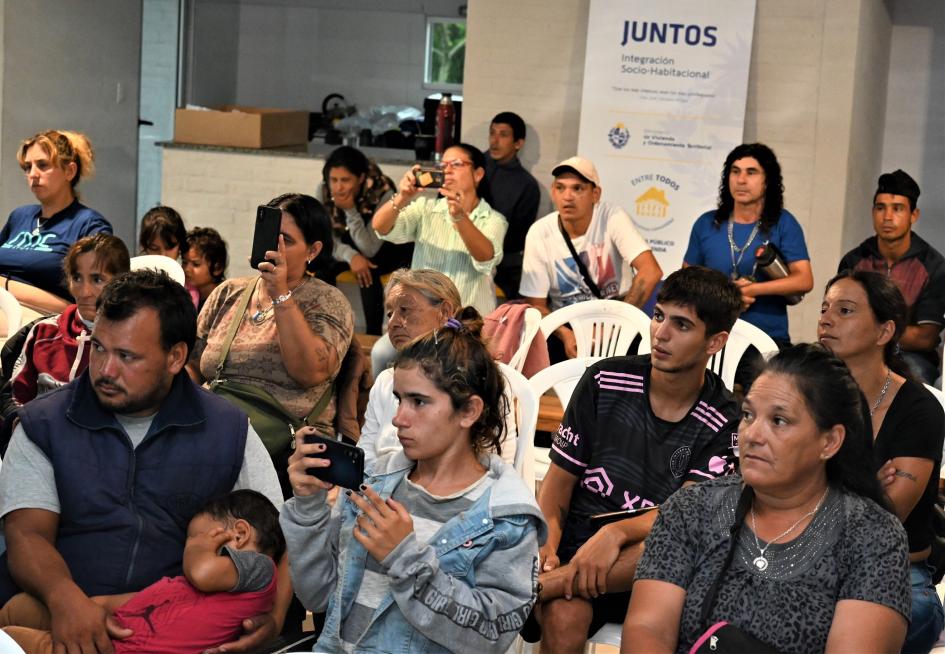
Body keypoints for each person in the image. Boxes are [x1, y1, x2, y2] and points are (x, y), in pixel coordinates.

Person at [0, 269, 287, 653]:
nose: (104, 370)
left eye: (127, 356)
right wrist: (66, 600)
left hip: (169, 628)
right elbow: (26, 535)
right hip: (58, 604)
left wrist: (274, 621)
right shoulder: (44, 424)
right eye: (99, 348)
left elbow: (281, 540)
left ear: (175, 357)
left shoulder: (227, 431)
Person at [280, 317, 546, 654]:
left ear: (469, 411)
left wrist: (403, 556)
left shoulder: (505, 517)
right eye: (398, 399)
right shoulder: (374, 486)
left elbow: (489, 635)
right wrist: (308, 507)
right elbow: (316, 595)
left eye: (418, 402)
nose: (398, 418)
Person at [624, 344, 911, 654]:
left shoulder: (872, 536)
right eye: (748, 415)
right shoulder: (690, 508)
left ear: (829, 441)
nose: (752, 435)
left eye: (779, 421)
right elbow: (647, 628)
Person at [526, 266, 741, 653]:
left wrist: (617, 533)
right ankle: (549, 585)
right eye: (659, 316)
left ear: (715, 341)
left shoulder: (724, 418)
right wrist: (547, 546)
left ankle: (534, 591)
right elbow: (556, 490)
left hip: (658, 562)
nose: (661, 333)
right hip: (580, 544)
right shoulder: (604, 381)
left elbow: (685, 515)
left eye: (682, 325)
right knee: (563, 617)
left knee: (670, 546)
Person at [189, 193, 354, 495]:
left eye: (286, 241)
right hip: (214, 431)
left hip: (285, 448)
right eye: (269, 236)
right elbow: (194, 366)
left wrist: (280, 294)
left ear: (313, 250)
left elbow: (310, 372)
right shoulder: (230, 293)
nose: (272, 248)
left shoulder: (328, 301)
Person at [818, 269, 945, 651]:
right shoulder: (807, 394)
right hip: (807, 559)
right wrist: (868, 485)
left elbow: (884, 523)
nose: (826, 318)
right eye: (825, 308)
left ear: (884, 332)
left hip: (898, 571)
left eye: (845, 310)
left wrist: (812, 488)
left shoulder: (918, 410)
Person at [1, 489, 285, 654]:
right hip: (110, 629)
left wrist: (198, 547)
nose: (189, 547)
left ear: (239, 534)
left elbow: (202, 572)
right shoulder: (186, 586)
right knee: (20, 607)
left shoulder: (260, 570)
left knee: (18, 639)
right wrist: (85, 608)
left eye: (197, 536)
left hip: (114, 650)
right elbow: (134, 601)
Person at [360, 268, 516, 469]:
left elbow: (494, 465)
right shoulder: (385, 381)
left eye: (405, 310)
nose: (392, 323)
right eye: (390, 314)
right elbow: (366, 457)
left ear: (444, 312)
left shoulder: (480, 379)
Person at [520, 156, 662, 360]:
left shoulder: (611, 216)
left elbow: (651, 271)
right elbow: (537, 305)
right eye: (560, 188)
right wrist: (566, 334)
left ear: (595, 194)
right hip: (567, 323)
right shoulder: (539, 232)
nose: (567, 196)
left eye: (577, 189)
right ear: (552, 191)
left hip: (616, 314)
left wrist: (616, 323)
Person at [684, 142, 813, 346]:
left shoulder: (784, 222)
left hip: (767, 338)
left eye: (751, 172)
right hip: (712, 334)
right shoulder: (706, 224)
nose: (741, 180)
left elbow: (804, 280)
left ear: (767, 180)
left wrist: (753, 290)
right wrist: (728, 295)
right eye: (735, 172)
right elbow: (687, 282)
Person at [372, 143, 507, 317]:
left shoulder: (493, 219)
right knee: (381, 346)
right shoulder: (425, 209)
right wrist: (403, 196)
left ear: (478, 174)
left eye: (456, 164)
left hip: (467, 325)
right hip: (421, 321)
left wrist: (459, 216)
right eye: (443, 166)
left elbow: (486, 258)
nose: (447, 170)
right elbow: (380, 227)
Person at [838, 169, 945, 385]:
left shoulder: (933, 265)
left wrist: (865, 330)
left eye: (897, 209)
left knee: (916, 381)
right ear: (872, 212)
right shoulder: (855, 261)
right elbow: (839, 319)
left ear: (913, 215)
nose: (887, 217)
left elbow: (925, 338)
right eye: (881, 208)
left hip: (911, 357)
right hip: (856, 353)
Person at [10, 234, 130, 405]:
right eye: (77, 278)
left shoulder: (133, 342)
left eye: (97, 279)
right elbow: (16, 399)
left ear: (122, 282)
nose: (84, 292)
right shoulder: (43, 332)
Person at [0, 130, 111, 314]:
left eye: (43, 165)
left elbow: (88, 303)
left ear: (69, 171)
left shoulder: (89, 224)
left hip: (43, 320)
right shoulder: (19, 216)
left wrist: (7, 286)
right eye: (27, 167)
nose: (32, 174)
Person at [318, 146, 413, 335]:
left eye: (345, 180)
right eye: (334, 180)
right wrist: (352, 257)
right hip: (349, 244)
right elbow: (327, 238)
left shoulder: (383, 190)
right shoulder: (324, 189)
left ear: (361, 178)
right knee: (323, 267)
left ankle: (372, 335)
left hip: (384, 247)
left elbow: (370, 248)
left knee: (369, 271)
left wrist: (350, 210)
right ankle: (324, 329)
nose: (338, 187)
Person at [484, 111, 541, 299]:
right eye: (492, 133)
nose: (494, 140)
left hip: (502, 260)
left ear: (518, 143)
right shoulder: (470, 166)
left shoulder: (527, 186)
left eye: (503, 135)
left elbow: (517, 239)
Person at [182, 226, 227, 312]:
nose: (186, 269)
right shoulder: (186, 296)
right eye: (184, 262)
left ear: (217, 268)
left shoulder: (224, 302)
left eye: (196, 264)